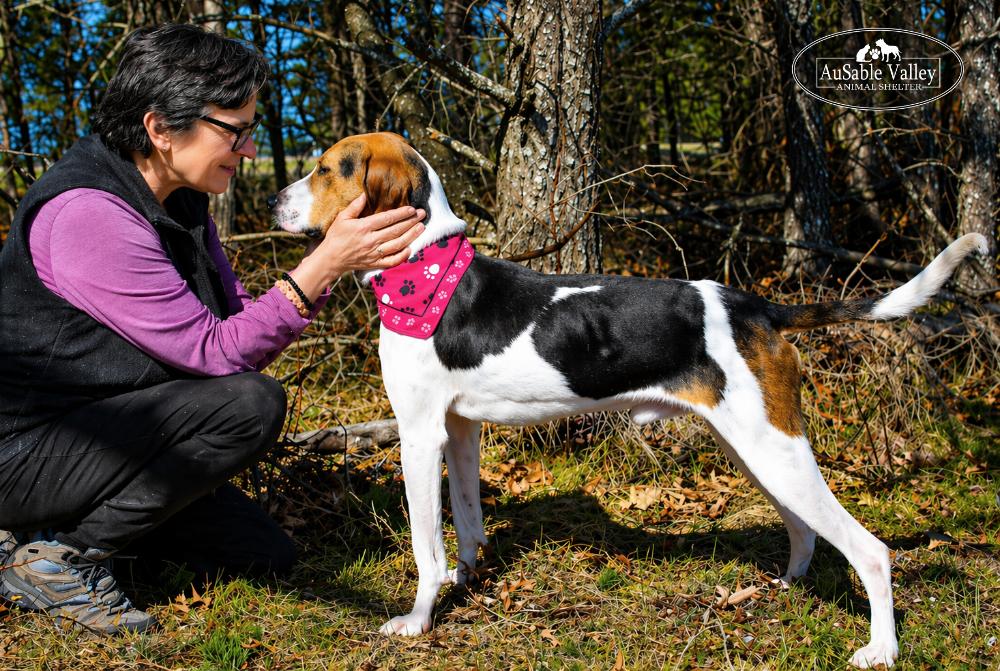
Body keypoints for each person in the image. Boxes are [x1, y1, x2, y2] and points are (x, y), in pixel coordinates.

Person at [0, 23, 424, 634]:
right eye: (234, 131)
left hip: (114, 433)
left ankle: (47, 535)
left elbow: (233, 320)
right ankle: (63, 559)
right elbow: (217, 353)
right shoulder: (88, 215)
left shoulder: (181, 201)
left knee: (265, 554)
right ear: (160, 129)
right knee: (250, 406)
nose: (248, 149)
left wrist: (323, 271)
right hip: (27, 452)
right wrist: (325, 263)